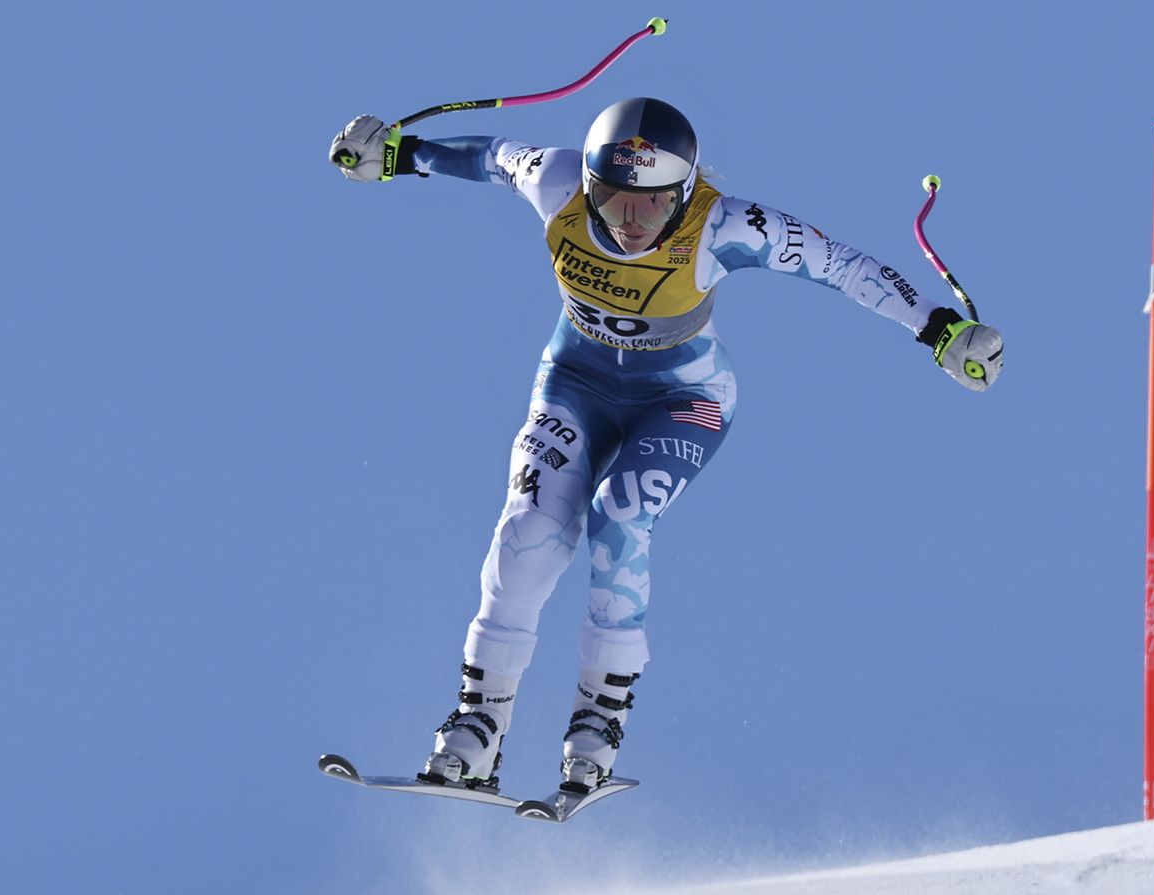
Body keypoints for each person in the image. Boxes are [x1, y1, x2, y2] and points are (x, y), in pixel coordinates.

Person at [328, 98, 1003, 795]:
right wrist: (399, 155)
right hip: (575, 385)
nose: (628, 224)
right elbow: (493, 156)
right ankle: (478, 724)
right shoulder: (556, 182)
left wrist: (940, 330)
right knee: (528, 532)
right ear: (588, 184)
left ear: (683, 196)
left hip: (684, 400)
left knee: (619, 514)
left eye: (651, 209)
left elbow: (839, 264)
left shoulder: (728, 225)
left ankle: (599, 721)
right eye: (614, 202)